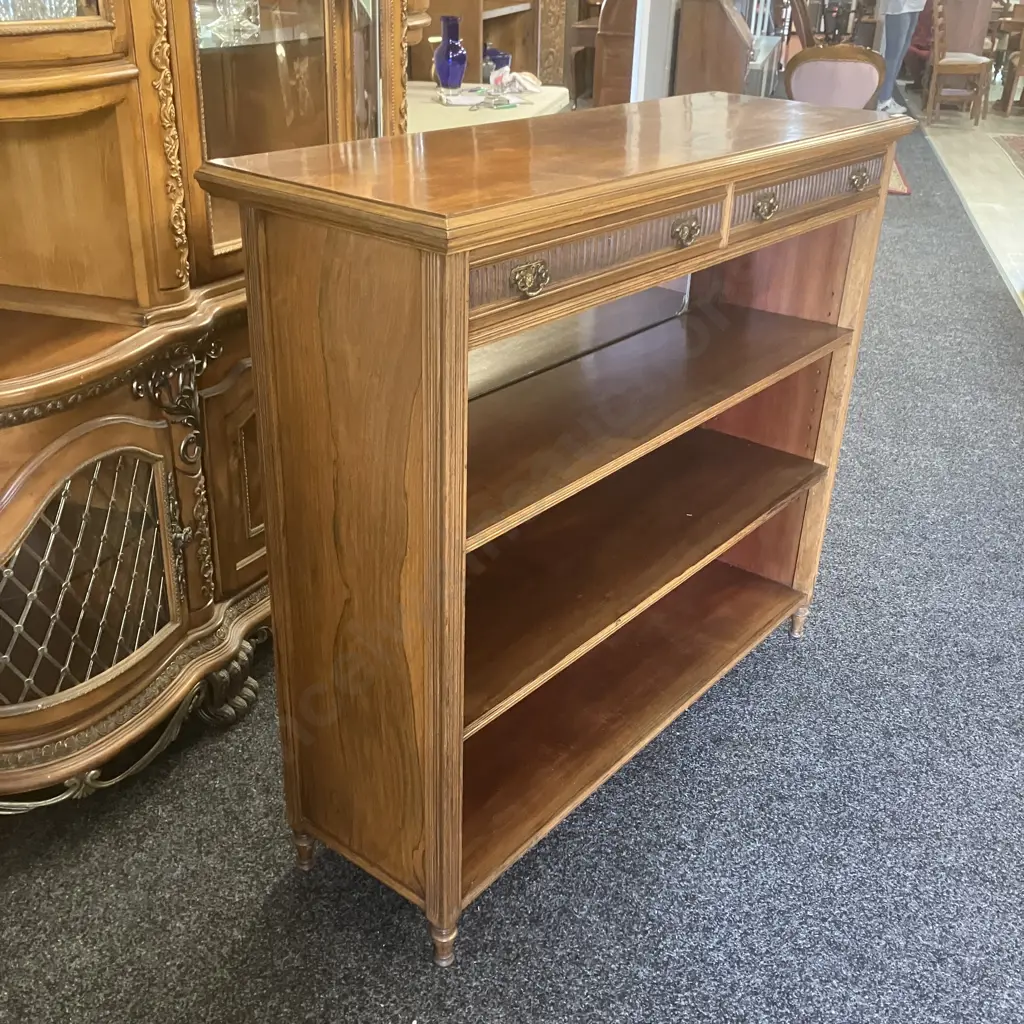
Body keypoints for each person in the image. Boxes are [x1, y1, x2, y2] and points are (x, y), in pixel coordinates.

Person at [878, 0, 928, 113]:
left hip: (916, 4)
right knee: (893, 54)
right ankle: (883, 100)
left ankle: (888, 96)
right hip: (899, 5)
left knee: (901, 53)